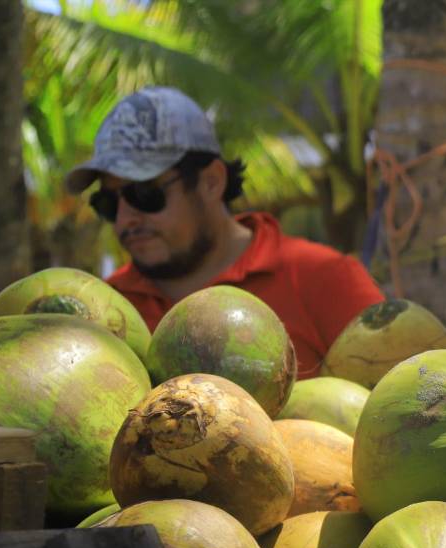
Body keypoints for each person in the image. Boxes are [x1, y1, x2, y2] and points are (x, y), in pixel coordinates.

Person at [66, 86, 384, 379]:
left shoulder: (325, 280)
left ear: (211, 182)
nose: (125, 218)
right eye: (107, 202)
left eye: (144, 194)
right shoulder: (105, 311)